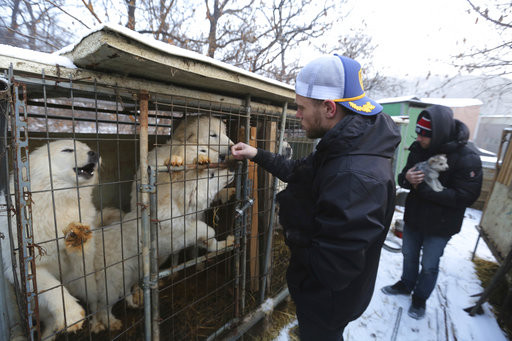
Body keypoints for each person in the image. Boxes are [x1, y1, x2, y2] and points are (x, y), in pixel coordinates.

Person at [231, 54, 401, 340]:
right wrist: (256, 153)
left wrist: (291, 218)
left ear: (329, 107)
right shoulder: (345, 146)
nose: (297, 114)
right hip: (328, 295)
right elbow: (299, 171)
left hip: (328, 302)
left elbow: (333, 268)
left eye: (300, 107)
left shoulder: (354, 175)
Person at [381, 105, 483, 320]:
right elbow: (403, 178)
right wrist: (406, 179)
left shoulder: (467, 156)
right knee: (409, 255)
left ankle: (419, 299)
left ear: (439, 134)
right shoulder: (419, 149)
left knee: (429, 265)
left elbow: (466, 196)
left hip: (441, 225)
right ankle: (406, 284)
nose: (419, 138)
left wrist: (424, 190)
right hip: (415, 218)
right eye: (418, 133)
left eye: (424, 135)